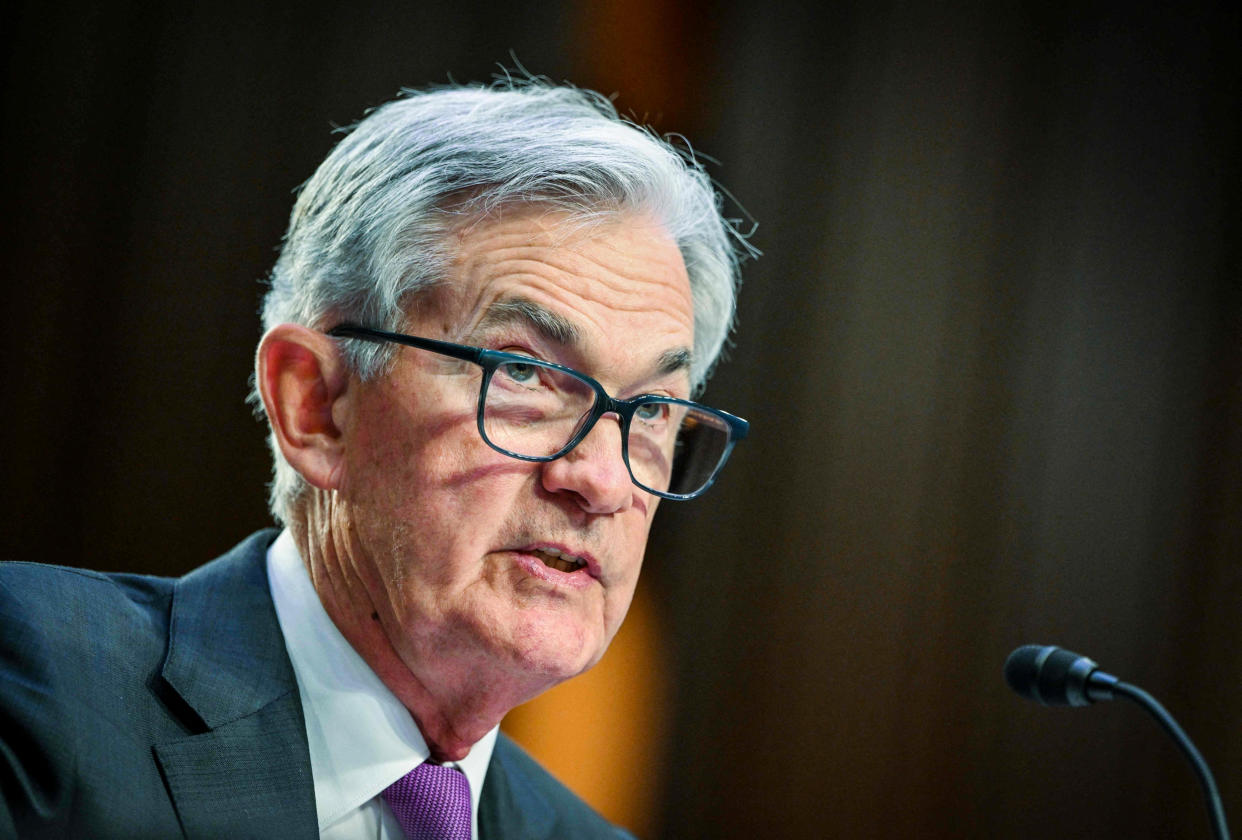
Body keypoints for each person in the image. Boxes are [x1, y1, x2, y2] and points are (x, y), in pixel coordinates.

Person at [0, 78, 752, 839]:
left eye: (652, 411)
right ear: (317, 406)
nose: (600, 478)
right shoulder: (34, 687)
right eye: (522, 372)